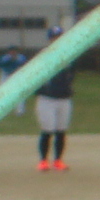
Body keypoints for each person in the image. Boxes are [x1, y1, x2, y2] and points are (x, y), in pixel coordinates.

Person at [33, 26, 75, 171]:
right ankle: (43, 160)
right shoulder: (45, 54)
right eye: (55, 37)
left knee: (61, 130)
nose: (57, 40)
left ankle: (58, 160)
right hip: (47, 98)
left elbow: (71, 74)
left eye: (59, 37)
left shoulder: (69, 53)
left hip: (64, 98)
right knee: (47, 130)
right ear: (50, 39)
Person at [0, 47, 29, 117]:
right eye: (11, 51)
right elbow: (0, 65)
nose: (12, 53)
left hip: (17, 76)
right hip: (6, 76)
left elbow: (24, 64)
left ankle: (20, 110)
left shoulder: (21, 57)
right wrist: (11, 60)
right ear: (8, 52)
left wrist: (15, 61)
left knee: (20, 93)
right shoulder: (5, 58)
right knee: (2, 93)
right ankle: (2, 110)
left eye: (14, 51)